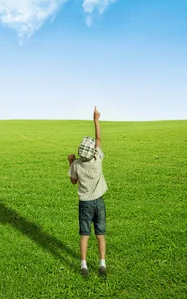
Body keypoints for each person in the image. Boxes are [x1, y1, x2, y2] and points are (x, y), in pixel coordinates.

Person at [68, 106, 108, 277]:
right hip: (99, 202)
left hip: (84, 203)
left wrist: (70, 162)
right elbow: (98, 138)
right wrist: (96, 120)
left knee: (84, 234)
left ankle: (83, 265)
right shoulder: (97, 159)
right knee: (100, 234)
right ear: (93, 152)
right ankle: (102, 264)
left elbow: (72, 181)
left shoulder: (77, 164)